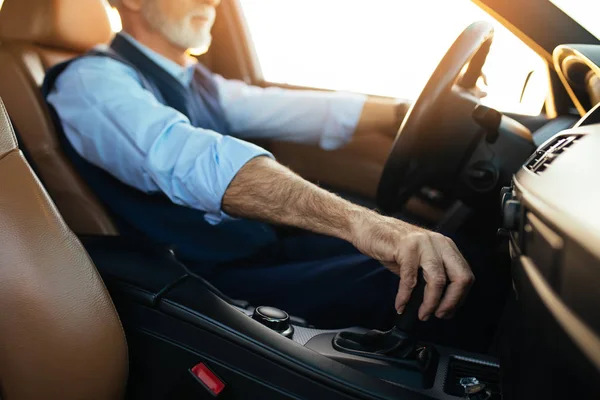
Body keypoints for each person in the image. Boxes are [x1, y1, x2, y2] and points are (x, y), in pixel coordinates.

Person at [45, 0, 474, 330]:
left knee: (450, 248)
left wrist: (405, 112)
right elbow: (191, 159)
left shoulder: (193, 79)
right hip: (207, 284)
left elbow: (286, 108)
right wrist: (361, 224)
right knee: (437, 277)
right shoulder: (91, 83)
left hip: (259, 250)